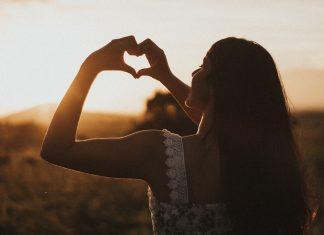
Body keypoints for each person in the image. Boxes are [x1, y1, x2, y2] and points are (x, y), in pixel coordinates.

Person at [40, 35, 313, 234]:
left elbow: (57, 149)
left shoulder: (158, 154)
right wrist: (165, 75)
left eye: (203, 66)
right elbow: (219, 123)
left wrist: (92, 65)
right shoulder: (264, 163)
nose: (194, 72)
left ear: (219, 87)